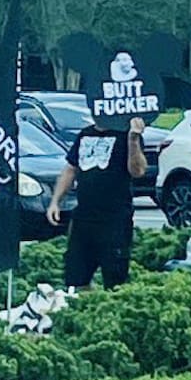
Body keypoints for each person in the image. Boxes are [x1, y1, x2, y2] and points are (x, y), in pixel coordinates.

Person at [46, 115, 147, 290]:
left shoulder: (124, 134)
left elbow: (137, 171)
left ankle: (112, 311)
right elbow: (70, 169)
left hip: (114, 218)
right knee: (75, 276)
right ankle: (83, 307)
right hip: (83, 217)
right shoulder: (85, 134)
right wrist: (55, 202)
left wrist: (133, 139)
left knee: (115, 277)